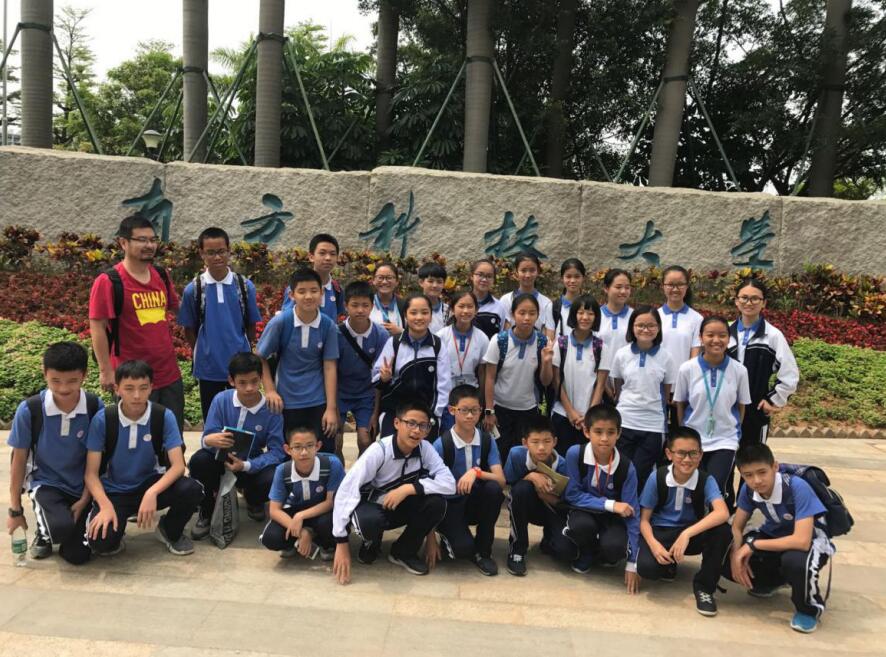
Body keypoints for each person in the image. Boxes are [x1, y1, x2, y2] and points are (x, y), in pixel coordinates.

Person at [84, 360, 203, 557]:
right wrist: (105, 506)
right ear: (117, 389)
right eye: (129, 388)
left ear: (151, 388)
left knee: (191, 489)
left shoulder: (163, 416)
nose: (137, 395)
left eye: (143, 388)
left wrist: (151, 493)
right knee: (101, 543)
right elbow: (91, 473)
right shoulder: (104, 419)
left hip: (149, 483)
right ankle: (117, 526)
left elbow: (178, 466)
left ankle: (169, 530)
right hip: (115, 490)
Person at [331, 400, 456, 583]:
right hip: (371, 504)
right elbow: (346, 491)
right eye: (411, 423)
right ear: (397, 423)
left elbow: (449, 483)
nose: (417, 430)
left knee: (436, 503)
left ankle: (403, 552)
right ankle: (371, 542)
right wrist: (341, 543)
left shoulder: (425, 449)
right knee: (369, 523)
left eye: (423, 426)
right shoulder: (379, 451)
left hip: (399, 504)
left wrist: (409, 489)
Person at [6, 342, 102, 565]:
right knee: (59, 529)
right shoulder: (30, 410)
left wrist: (85, 497)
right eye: (55, 381)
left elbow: (97, 458)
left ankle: (60, 528)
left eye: (72, 381)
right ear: (45, 373)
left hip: (83, 486)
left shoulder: (93, 407)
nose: (64, 388)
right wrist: (15, 510)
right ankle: (45, 532)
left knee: (78, 556)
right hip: (47, 484)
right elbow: (18, 460)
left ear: (84, 375)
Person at [89, 213, 184, 433]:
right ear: (123, 242)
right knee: (134, 438)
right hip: (131, 379)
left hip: (168, 373)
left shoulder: (161, 274)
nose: (149, 245)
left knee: (172, 437)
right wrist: (105, 370)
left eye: (152, 240)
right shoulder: (109, 281)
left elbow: (177, 308)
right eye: (141, 240)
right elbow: (98, 327)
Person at [729, 443, 835, 633]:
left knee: (795, 562)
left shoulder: (797, 487)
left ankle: (808, 609)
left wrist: (753, 545)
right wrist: (735, 556)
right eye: (748, 475)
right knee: (727, 553)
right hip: (775, 534)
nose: (756, 480)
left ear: (775, 466)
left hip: (811, 541)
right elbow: (737, 527)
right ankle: (771, 581)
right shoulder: (748, 490)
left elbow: (802, 541)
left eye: (762, 472)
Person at [188, 353, 286, 539]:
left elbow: (277, 451)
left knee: (275, 474)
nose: (249, 388)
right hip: (219, 460)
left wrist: (247, 465)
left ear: (261, 378)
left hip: (249, 465)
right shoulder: (221, 400)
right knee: (199, 461)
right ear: (231, 381)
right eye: (242, 382)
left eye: (254, 381)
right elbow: (208, 436)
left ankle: (253, 499)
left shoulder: (271, 409)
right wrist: (209, 440)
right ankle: (207, 510)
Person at [637, 427, 732, 616]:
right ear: (669, 454)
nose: (687, 459)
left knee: (722, 530)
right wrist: (654, 545)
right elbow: (644, 520)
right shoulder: (657, 477)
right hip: (662, 532)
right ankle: (668, 563)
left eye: (693, 453)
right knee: (647, 569)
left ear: (700, 455)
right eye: (681, 453)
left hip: (691, 534)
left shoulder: (706, 480)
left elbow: (722, 512)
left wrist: (687, 534)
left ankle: (705, 588)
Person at [178, 227, 262, 420]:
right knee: (212, 417)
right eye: (210, 252)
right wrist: (204, 351)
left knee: (242, 417)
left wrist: (245, 350)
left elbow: (251, 324)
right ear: (202, 254)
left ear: (229, 251)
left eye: (221, 251)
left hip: (241, 368)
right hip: (209, 368)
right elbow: (189, 329)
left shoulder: (244, 286)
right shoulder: (194, 289)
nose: (217, 257)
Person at [256, 268, 340, 452]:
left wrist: (331, 408)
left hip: (318, 400)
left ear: (322, 293)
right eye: (302, 291)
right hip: (286, 401)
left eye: (314, 290)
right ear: (291, 295)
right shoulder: (281, 322)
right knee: (288, 454)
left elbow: (330, 366)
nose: (308, 296)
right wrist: (270, 390)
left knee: (323, 453)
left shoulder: (328, 326)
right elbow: (260, 357)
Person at [427, 385, 506, 576]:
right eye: (464, 410)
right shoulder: (441, 445)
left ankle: (484, 551)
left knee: (494, 490)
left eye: (475, 410)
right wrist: (429, 540)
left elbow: (501, 480)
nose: (470, 416)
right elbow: (429, 493)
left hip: (475, 502)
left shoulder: (487, 440)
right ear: (452, 410)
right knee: (461, 550)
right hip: (450, 505)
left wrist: (476, 472)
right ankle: (447, 534)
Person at [563, 405, 640, 594]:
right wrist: (611, 504)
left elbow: (632, 513)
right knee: (580, 527)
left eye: (610, 432)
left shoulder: (627, 467)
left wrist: (632, 562)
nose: (604, 438)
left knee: (615, 549)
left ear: (619, 434)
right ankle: (587, 552)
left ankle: (603, 553)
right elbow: (572, 495)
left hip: (612, 519)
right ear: (586, 432)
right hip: (584, 512)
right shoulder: (575, 454)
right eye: (598, 432)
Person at [674, 316, 751, 493]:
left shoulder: (739, 370)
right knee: (692, 488)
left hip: (725, 439)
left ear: (729, 339)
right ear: (701, 337)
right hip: (693, 439)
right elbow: (680, 403)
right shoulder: (687, 369)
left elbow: (741, 406)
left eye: (722, 335)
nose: (716, 340)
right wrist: (684, 432)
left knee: (715, 488)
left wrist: (735, 430)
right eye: (710, 335)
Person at [600, 305, 676, 485]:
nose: (645, 330)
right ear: (632, 327)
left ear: (658, 328)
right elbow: (618, 386)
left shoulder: (666, 357)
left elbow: (666, 392)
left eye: (651, 325)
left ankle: (639, 504)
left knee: (642, 474)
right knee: (621, 471)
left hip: (653, 425)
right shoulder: (622, 354)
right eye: (640, 325)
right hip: (625, 421)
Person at [727, 278, 799, 448]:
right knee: (724, 458)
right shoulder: (724, 332)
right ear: (736, 301)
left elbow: (789, 373)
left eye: (755, 299)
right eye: (744, 298)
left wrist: (772, 400)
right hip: (724, 409)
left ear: (764, 303)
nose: (748, 303)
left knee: (753, 460)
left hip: (755, 411)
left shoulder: (773, 336)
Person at [482, 293, 554, 460]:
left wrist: (547, 361)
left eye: (532, 313)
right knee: (500, 453)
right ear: (513, 314)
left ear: (538, 315)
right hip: (501, 408)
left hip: (528, 409)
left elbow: (545, 381)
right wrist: (489, 410)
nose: (527, 318)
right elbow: (489, 377)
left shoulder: (542, 342)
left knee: (522, 455)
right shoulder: (499, 341)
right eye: (522, 313)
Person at [259, 425, 345, 561]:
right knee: (271, 538)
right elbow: (274, 510)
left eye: (309, 446)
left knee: (329, 523)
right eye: (297, 447)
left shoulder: (332, 464)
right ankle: (295, 541)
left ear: (318, 446)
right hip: (294, 510)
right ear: (288, 449)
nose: (304, 452)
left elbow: (330, 502)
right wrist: (301, 531)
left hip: (322, 512)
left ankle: (326, 544)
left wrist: (301, 516)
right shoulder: (282, 470)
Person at [372, 294, 451, 439]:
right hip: (395, 411)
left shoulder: (438, 346)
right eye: (413, 313)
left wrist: (434, 414)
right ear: (405, 315)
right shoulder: (394, 343)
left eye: (424, 312)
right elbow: (376, 377)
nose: (419, 317)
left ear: (431, 316)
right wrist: (384, 378)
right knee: (391, 450)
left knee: (423, 451)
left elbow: (443, 386)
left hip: (427, 413)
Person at [503, 415, 573, 576]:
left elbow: (569, 502)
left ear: (555, 442)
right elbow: (509, 485)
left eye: (547, 441)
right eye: (535, 442)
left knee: (565, 551)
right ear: (525, 442)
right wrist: (530, 476)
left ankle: (549, 539)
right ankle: (517, 550)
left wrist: (547, 497)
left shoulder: (564, 465)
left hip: (553, 509)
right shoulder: (516, 455)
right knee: (520, 490)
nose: (541, 447)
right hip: (527, 506)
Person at [551, 295, 610, 456]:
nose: (585, 317)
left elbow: (600, 384)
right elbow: (556, 381)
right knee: (561, 459)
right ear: (573, 315)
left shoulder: (601, 347)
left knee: (585, 460)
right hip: (562, 414)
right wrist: (570, 412)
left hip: (590, 418)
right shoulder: (561, 344)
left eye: (590, 313)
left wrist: (589, 415)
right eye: (581, 312)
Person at [336, 281, 389, 455]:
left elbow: (380, 377)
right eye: (355, 305)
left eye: (365, 305)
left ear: (372, 306)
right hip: (340, 393)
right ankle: (338, 472)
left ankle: (362, 472)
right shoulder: (336, 333)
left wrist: (375, 412)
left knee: (366, 439)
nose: (360, 310)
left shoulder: (381, 335)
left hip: (366, 394)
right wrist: (331, 406)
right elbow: (329, 369)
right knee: (335, 440)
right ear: (346, 306)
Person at [435, 290, 490, 431]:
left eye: (470, 306)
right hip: (447, 395)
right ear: (452, 309)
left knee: (469, 432)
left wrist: (482, 399)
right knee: (449, 433)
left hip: (471, 394)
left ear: (476, 310)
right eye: (461, 306)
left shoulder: (482, 338)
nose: (465, 311)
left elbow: (482, 371)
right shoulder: (441, 336)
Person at [658, 265, 703, 432]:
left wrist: (683, 388)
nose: (675, 289)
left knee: (682, 433)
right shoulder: (655, 317)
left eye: (680, 284)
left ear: (687, 286)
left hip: (684, 387)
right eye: (670, 284)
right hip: (658, 386)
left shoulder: (696, 319)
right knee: (659, 433)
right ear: (663, 286)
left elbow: (695, 355)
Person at [280, 233, 345, 321]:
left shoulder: (337, 290)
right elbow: (286, 320)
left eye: (332, 254)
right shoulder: (297, 288)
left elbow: (339, 319)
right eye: (322, 253)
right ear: (311, 257)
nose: (328, 258)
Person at [500, 252, 555, 340]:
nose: (528, 275)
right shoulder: (506, 300)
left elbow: (549, 336)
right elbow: (504, 332)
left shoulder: (546, 303)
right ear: (516, 272)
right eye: (523, 270)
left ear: (538, 271)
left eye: (532, 270)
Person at [545, 258, 586, 337]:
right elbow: (550, 338)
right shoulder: (553, 307)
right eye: (568, 276)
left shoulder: (590, 306)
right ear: (562, 278)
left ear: (583, 278)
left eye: (577, 276)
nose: (572, 280)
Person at [469, 258, 507, 339]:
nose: (484, 279)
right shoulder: (461, 304)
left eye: (489, 276)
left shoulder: (499, 307)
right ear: (471, 276)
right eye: (480, 275)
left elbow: (501, 336)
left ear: (494, 279)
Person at [370, 262, 404, 336]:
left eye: (389, 278)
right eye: (380, 277)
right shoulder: (367, 304)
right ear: (373, 280)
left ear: (397, 281)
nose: (384, 282)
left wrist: (401, 331)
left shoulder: (404, 305)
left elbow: (416, 334)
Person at [418, 262, 450, 333]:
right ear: (421, 282)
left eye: (439, 282)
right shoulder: (412, 308)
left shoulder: (448, 310)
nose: (435, 285)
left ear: (444, 284)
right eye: (430, 281)